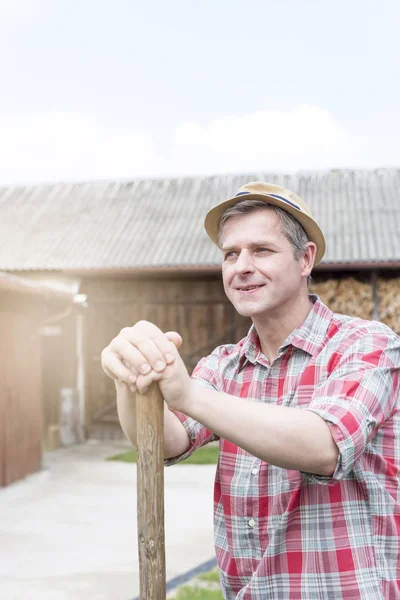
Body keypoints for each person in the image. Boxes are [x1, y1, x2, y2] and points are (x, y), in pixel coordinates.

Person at [101, 181, 400, 599]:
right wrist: (130, 376)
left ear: (305, 259)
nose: (241, 266)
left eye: (261, 250)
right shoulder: (223, 365)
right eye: (230, 253)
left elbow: (326, 444)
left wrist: (189, 396)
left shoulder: (366, 345)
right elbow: (166, 443)